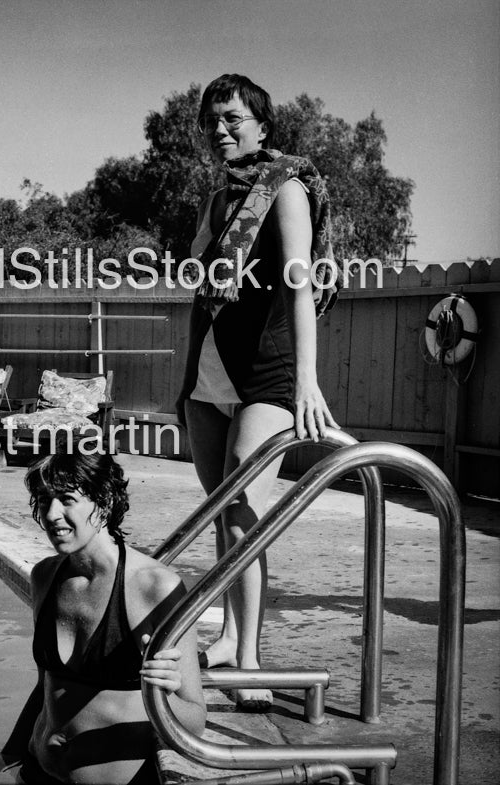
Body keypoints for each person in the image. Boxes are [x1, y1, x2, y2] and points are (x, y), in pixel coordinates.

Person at [176, 73, 339, 710]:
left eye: (233, 119)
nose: (221, 131)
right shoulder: (215, 202)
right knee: (223, 514)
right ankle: (227, 637)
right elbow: (202, 290)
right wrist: (187, 380)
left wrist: (306, 381)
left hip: (267, 376)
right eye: (212, 121)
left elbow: (299, 285)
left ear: (262, 126)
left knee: (244, 516)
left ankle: (249, 660)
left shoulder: (287, 191)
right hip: (209, 376)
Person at [0, 451, 205, 784]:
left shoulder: (154, 588)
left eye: (67, 500)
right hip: (37, 774)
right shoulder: (46, 575)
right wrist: (4, 757)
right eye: (44, 501)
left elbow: (195, 719)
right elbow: (46, 687)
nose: (51, 514)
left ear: (103, 504)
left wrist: (169, 691)